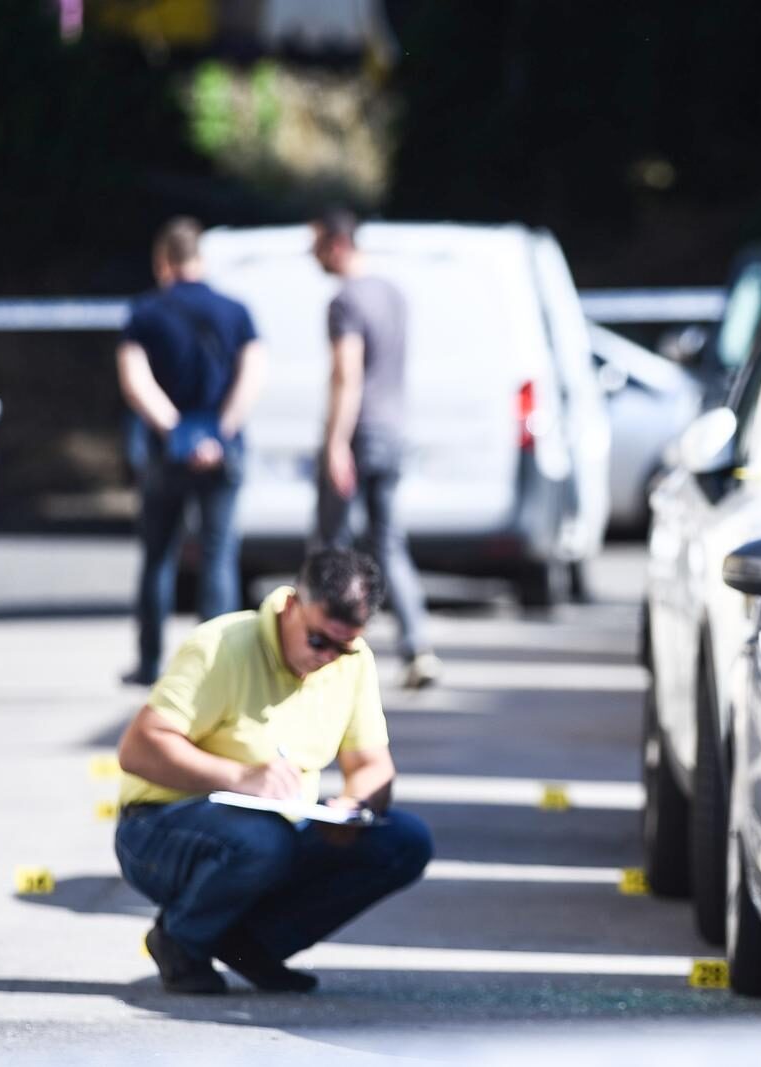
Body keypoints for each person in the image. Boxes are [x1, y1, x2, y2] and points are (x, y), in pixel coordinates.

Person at [114, 547, 434, 995]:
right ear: (291, 605)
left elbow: (371, 765)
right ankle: (180, 939)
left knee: (404, 841)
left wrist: (353, 806)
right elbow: (138, 748)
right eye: (318, 640)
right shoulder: (221, 646)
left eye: (342, 647)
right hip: (159, 828)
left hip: (275, 829)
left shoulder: (354, 662)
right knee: (263, 841)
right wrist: (238, 777)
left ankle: (251, 946)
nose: (327, 657)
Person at [118, 217, 265, 687]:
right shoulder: (236, 312)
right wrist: (220, 433)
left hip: (167, 453)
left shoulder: (145, 313)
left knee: (158, 557)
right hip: (224, 451)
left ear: (163, 261)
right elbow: (252, 376)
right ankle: (216, 668)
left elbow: (135, 381)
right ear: (201, 258)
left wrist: (176, 432)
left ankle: (149, 663)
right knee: (218, 555)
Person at [311, 208, 442, 690]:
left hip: (359, 431)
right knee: (388, 542)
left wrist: (336, 443)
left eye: (316, 245)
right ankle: (417, 646)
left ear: (337, 244)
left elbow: (347, 374)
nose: (312, 256)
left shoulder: (345, 301)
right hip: (393, 430)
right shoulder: (393, 293)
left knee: (333, 545)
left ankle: (326, 649)